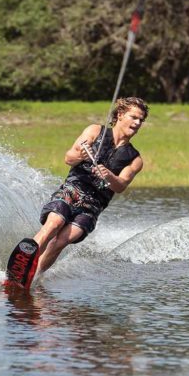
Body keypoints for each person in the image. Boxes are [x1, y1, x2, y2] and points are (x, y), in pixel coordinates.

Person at [32, 96, 148, 280]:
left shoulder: (135, 159)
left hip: (93, 206)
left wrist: (109, 176)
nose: (137, 122)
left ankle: (33, 275)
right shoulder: (95, 131)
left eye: (141, 120)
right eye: (134, 117)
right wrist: (81, 154)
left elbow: (121, 186)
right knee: (54, 223)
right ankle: (27, 257)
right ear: (120, 114)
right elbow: (68, 158)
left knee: (62, 241)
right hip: (73, 189)